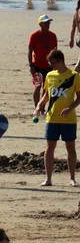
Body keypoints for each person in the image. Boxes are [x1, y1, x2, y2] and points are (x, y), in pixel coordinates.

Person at [36, 47, 79, 186]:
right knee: (49, 148)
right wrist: (39, 105)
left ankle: (72, 178)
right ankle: (48, 179)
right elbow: (47, 95)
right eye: (50, 63)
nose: (51, 66)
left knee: (70, 148)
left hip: (69, 119)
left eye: (53, 63)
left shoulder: (74, 76)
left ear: (60, 61)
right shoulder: (50, 76)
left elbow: (79, 98)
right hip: (52, 118)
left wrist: (70, 108)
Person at [31, 14, 61, 106]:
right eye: (46, 23)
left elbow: (55, 51)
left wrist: (56, 65)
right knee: (37, 87)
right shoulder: (34, 36)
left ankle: (42, 107)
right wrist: (31, 66)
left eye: (48, 23)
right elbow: (30, 51)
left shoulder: (53, 36)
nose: (48, 25)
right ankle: (36, 107)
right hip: (37, 66)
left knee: (46, 88)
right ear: (40, 24)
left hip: (49, 66)